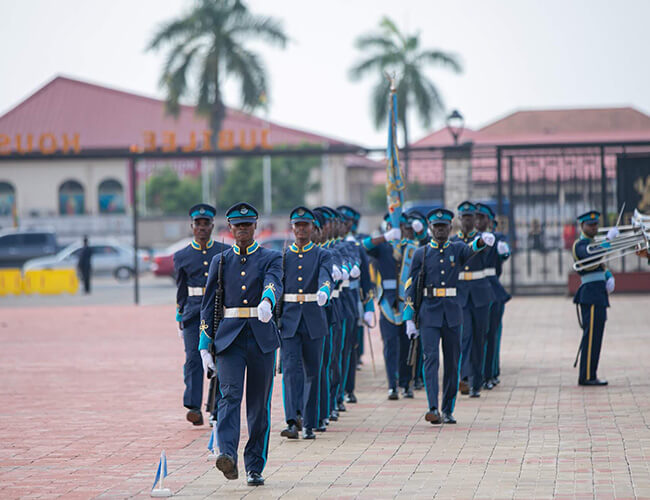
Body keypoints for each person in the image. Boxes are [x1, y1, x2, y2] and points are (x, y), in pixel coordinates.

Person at [199, 202, 282, 486]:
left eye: (247, 225)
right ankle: (228, 455)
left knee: (258, 406)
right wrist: (204, 345)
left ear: (255, 226)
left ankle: (255, 466)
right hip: (229, 339)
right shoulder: (220, 261)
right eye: (238, 225)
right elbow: (208, 306)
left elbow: (274, 282)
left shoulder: (271, 257)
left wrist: (267, 301)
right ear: (230, 228)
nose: (243, 229)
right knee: (229, 397)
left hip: (261, 338)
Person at [404, 208, 494, 424]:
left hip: (453, 312)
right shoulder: (421, 253)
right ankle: (432, 407)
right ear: (430, 228)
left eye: (444, 227)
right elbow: (410, 286)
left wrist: (482, 242)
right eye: (436, 227)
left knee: (453, 362)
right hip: (429, 312)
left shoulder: (457, 248)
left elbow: (471, 249)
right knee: (431, 359)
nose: (440, 231)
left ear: (450, 227)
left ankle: (448, 408)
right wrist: (409, 317)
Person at [278, 207, 332, 440]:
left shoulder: (321, 254)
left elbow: (326, 276)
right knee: (290, 371)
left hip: (313, 318)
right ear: (292, 228)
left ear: (312, 228)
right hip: (289, 320)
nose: (301, 229)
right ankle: (292, 421)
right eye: (297, 225)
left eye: (305, 225)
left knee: (313, 372)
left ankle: (309, 423)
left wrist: (324, 290)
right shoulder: (283, 255)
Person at [173, 204, 229, 426]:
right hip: (193, 313)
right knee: (193, 359)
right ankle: (193, 406)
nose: (202, 227)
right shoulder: (182, 256)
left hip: (217, 311)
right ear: (192, 226)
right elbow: (181, 290)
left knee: (219, 357)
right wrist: (179, 317)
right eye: (198, 224)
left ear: (212, 226)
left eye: (206, 224)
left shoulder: (223, 252)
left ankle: (216, 407)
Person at [362, 213, 419, 400]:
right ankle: (392, 385)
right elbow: (365, 246)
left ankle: (406, 383)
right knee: (390, 345)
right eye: (392, 227)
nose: (397, 230)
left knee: (406, 344)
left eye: (400, 227)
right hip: (387, 302)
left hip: (406, 301)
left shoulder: (411, 249)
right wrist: (384, 238)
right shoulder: (383, 247)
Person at [450, 202, 495, 398]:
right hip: (461, 295)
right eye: (464, 217)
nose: (467, 221)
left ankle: (477, 381)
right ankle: (465, 377)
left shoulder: (483, 239)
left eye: (471, 217)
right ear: (459, 219)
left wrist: (485, 240)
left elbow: (487, 253)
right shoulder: (453, 241)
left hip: (480, 293)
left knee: (479, 337)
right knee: (465, 335)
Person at [572, 210, 617, 386]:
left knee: (596, 337)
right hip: (590, 294)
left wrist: (608, 275)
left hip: (598, 294)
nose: (594, 227)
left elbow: (600, 265)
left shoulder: (593, 243)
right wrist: (608, 240)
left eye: (596, 224)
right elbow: (591, 257)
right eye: (590, 225)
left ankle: (592, 373)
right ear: (582, 226)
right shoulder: (580, 244)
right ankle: (586, 376)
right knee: (591, 337)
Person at [474, 204, 511, 389]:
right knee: (476, 335)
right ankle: (475, 374)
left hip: (492, 288)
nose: (478, 221)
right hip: (474, 287)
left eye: (482, 218)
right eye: (476, 217)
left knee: (491, 335)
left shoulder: (497, 238)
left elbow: (504, 254)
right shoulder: (469, 239)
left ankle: (489, 374)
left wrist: (504, 251)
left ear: (489, 221)